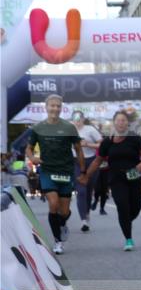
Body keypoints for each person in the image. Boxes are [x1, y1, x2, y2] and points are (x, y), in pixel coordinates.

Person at [81, 110, 141, 250]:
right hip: (116, 178)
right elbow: (97, 161)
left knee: (135, 208)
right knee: (122, 206)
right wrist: (86, 176)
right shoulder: (107, 142)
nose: (121, 123)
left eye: (124, 120)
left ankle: (126, 220)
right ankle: (128, 239)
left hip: (134, 176)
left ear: (128, 123)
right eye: (118, 120)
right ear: (114, 123)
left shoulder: (135, 139)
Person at [26, 94, 84, 255]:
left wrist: (83, 171)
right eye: (52, 105)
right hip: (47, 170)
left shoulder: (69, 127)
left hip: (65, 171)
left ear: (61, 108)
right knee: (53, 204)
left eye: (58, 106)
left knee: (64, 211)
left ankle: (62, 224)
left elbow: (78, 149)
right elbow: (28, 148)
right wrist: (32, 158)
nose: (55, 109)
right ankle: (58, 241)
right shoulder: (38, 128)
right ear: (46, 107)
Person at [72, 113, 103, 232]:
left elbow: (102, 145)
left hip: (91, 161)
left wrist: (88, 144)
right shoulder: (69, 131)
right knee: (81, 191)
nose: (77, 121)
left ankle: (87, 213)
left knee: (89, 190)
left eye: (79, 119)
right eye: (75, 119)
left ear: (83, 119)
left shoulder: (90, 130)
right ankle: (83, 220)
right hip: (76, 162)